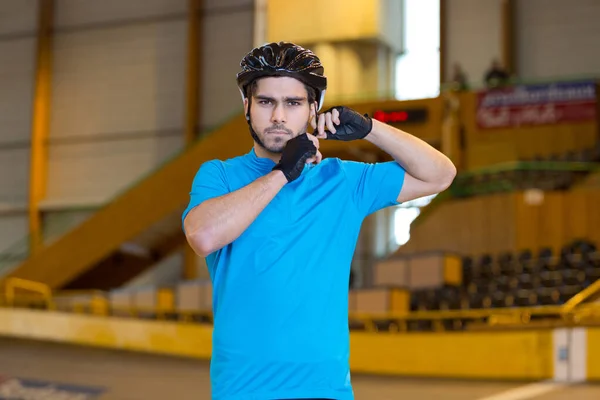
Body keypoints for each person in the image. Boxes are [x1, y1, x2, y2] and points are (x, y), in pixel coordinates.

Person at [182, 41, 456, 400]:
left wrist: (370, 128)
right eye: (266, 102)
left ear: (314, 109)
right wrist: (283, 173)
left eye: (293, 103)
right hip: (243, 391)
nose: (278, 116)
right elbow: (203, 236)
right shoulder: (219, 175)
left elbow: (440, 174)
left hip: (326, 391)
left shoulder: (342, 181)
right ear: (247, 106)